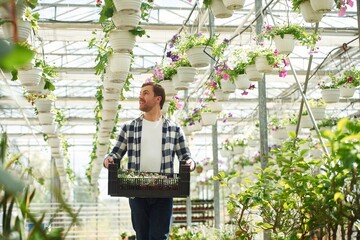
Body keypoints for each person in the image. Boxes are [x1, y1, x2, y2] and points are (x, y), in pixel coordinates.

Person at [103, 82, 196, 240]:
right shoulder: (129, 128)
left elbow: (185, 156)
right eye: (140, 93)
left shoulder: (174, 129)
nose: (140, 96)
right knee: (142, 236)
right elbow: (115, 154)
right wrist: (108, 159)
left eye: (145, 93)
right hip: (136, 191)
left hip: (164, 191)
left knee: (159, 236)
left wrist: (191, 163)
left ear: (157, 99)